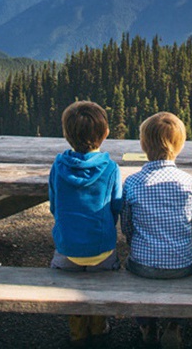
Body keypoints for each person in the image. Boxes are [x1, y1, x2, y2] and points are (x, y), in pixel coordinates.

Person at [121, 112, 192, 348]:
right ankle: (175, 324)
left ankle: (147, 324)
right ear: (180, 146)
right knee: (191, 271)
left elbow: (127, 227)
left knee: (131, 270)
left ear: (143, 145)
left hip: (142, 266)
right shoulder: (189, 182)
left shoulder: (133, 182)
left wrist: (138, 243)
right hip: (182, 265)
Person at [48, 101, 122, 348]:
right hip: (102, 252)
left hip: (67, 252)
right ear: (105, 134)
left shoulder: (58, 167)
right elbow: (116, 208)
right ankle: (99, 326)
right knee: (103, 269)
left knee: (67, 264)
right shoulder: (110, 168)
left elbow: (54, 207)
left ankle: (77, 330)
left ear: (66, 134)